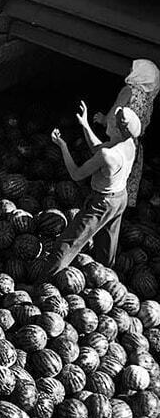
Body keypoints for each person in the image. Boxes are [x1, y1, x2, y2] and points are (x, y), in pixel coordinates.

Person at [48, 103, 139, 272]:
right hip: (120, 198)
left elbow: (76, 174)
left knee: (68, 244)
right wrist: (85, 125)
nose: (109, 119)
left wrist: (63, 146)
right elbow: (98, 148)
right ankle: (105, 277)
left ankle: (44, 282)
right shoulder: (129, 144)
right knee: (106, 245)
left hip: (102, 203)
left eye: (112, 120)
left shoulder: (108, 156)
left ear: (117, 130)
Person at [94, 59, 159, 206]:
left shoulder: (128, 90)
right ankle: (121, 212)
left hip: (119, 140)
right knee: (126, 179)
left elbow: (116, 110)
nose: (129, 71)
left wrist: (104, 120)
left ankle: (103, 208)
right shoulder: (148, 99)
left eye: (132, 70)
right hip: (135, 145)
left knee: (110, 177)